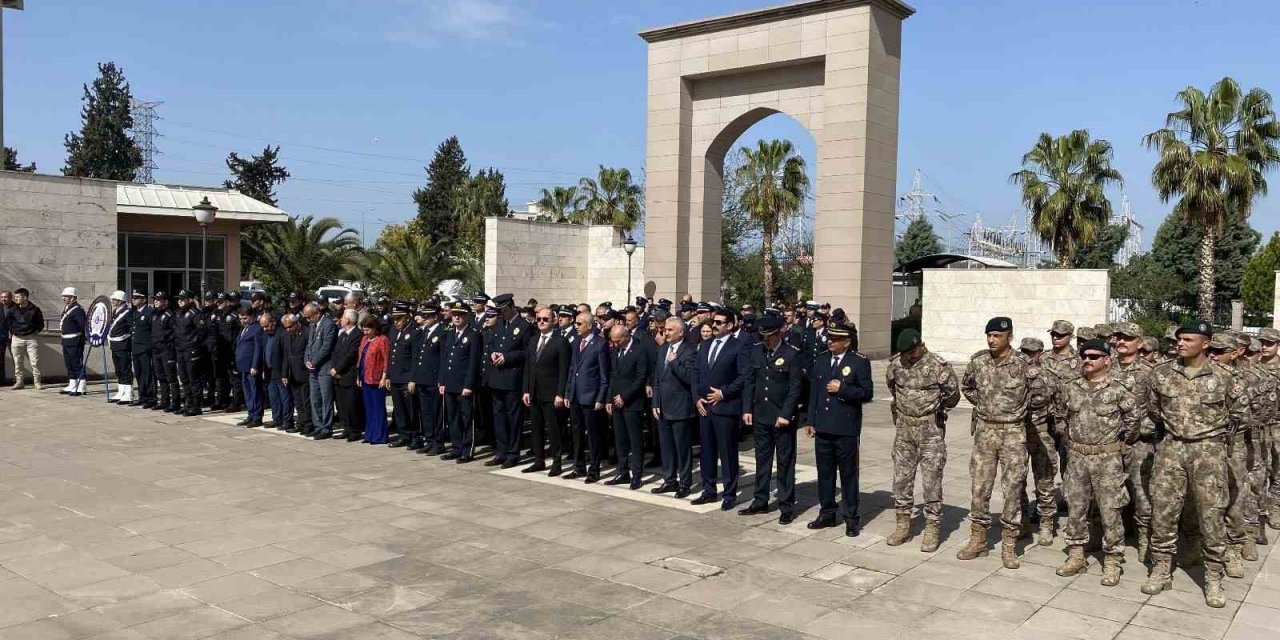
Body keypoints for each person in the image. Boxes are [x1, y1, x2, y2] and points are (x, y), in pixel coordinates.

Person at [1142, 320, 1248, 608]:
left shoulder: (1225, 376)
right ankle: (1161, 568)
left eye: (1188, 339)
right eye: (1180, 339)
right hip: (1171, 448)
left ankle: (1213, 576)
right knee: (1163, 510)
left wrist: (1213, 438)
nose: (1181, 343)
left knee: (1211, 514)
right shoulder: (1160, 374)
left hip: (1209, 452)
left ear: (1205, 344)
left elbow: (1241, 415)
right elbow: (1154, 409)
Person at [1052, 340, 1139, 585]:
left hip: (1107, 458)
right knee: (1076, 508)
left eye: (1094, 356)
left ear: (1107, 360)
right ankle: (1076, 555)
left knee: (1110, 510)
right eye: (1084, 356)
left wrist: (1118, 445)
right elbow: (1061, 417)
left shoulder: (1118, 389)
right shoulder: (1072, 388)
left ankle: (1113, 560)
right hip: (1078, 457)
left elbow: (1133, 421)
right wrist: (1071, 441)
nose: (1087, 360)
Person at [957, 317, 1035, 569]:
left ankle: (1010, 544)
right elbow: (967, 386)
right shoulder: (978, 361)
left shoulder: (1023, 364)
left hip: (1013, 432)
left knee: (1012, 488)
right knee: (980, 487)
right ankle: (978, 539)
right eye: (989, 335)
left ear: (1009, 337)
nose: (992, 340)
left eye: (997, 336)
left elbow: (1040, 393)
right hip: (985, 431)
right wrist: (983, 405)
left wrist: (1019, 411)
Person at [884, 328, 959, 551]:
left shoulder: (938, 366)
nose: (909, 356)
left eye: (912, 351)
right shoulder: (896, 364)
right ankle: (903, 525)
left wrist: (934, 411)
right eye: (905, 352)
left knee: (931, 481)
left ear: (921, 345)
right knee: (901, 479)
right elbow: (893, 388)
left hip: (930, 431)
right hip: (904, 430)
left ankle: (932, 527)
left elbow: (953, 396)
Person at [805, 321, 874, 537]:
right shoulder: (822, 359)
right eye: (829, 338)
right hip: (823, 425)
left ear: (846, 342)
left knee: (848, 475)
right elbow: (815, 392)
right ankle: (827, 513)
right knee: (825, 474)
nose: (830, 342)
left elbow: (866, 393)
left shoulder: (859, 362)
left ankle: (851, 517)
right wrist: (811, 420)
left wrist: (842, 388)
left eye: (835, 339)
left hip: (845, 427)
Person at [739, 315, 804, 524]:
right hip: (761, 415)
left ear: (779, 334)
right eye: (763, 337)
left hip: (781, 417)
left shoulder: (792, 354)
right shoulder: (757, 350)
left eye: (769, 337)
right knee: (762, 460)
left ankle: (786, 505)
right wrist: (747, 408)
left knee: (785, 462)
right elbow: (750, 381)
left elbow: (795, 389)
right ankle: (760, 500)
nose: (765, 341)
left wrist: (786, 414)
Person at [692, 308, 750, 510]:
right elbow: (696, 373)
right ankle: (709, 490)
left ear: (730, 325)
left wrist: (724, 393)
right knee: (706, 452)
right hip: (705, 408)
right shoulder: (705, 345)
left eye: (719, 322)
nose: (714, 325)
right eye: (713, 322)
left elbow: (744, 376)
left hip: (726, 407)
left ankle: (729, 494)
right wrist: (697, 397)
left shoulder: (738, 346)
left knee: (727, 453)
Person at [1109, 322, 1158, 563]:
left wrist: (1139, 430)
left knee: (1142, 494)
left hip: (1140, 443)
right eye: (1118, 337)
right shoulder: (1105, 367)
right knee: (1107, 493)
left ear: (1139, 343)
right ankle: (1108, 535)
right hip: (1108, 444)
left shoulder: (1150, 373)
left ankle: (1144, 538)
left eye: (1127, 338)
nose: (1121, 341)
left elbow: (1158, 410)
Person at [1018, 337, 1058, 545]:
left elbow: (1060, 405)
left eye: (1031, 352)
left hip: (1042, 432)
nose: (1027, 355)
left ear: (1040, 353)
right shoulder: (1015, 374)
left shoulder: (1049, 377)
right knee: (1017, 479)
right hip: (1019, 432)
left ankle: (1046, 522)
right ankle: (1023, 521)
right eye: (1024, 351)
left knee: (1044, 479)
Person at [484, 293, 531, 468]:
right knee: (499, 417)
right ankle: (501, 451)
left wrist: (508, 357)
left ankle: (513, 452)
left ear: (511, 307)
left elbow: (528, 353)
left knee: (513, 417)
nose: (500, 314)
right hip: (497, 378)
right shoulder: (498, 325)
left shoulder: (524, 327)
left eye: (503, 310)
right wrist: (493, 354)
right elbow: (491, 344)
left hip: (512, 379)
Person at [652, 317, 697, 498]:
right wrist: (655, 402)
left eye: (670, 330)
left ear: (681, 332)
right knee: (666, 447)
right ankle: (669, 480)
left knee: (682, 448)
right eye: (665, 329)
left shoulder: (690, 351)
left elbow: (689, 378)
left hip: (680, 408)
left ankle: (685, 483)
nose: (666, 333)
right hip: (663, 407)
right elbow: (657, 379)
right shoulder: (663, 349)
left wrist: (674, 362)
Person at [522, 306, 570, 475]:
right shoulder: (534, 340)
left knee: (554, 429)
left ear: (554, 321)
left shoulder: (560, 341)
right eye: (539, 319)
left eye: (545, 319)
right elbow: (529, 367)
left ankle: (557, 463)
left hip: (552, 394)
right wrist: (526, 390)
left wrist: (560, 393)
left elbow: (564, 370)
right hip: (535, 392)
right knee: (536, 429)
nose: (541, 322)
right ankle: (539, 460)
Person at [564, 311, 609, 481]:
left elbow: (604, 375)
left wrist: (600, 398)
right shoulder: (576, 342)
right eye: (575, 323)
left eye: (579, 323)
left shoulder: (600, 344)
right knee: (576, 434)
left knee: (593, 435)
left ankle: (594, 469)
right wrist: (568, 391)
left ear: (589, 326)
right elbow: (572, 369)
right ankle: (579, 466)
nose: (576, 326)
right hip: (576, 396)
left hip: (591, 397)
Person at [606, 324, 650, 489]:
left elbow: (640, 378)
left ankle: (637, 474)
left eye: (618, 341)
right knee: (620, 440)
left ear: (626, 337)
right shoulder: (616, 351)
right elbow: (613, 376)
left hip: (632, 402)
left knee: (635, 440)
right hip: (616, 402)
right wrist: (609, 399)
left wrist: (624, 396)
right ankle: (622, 471)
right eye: (614, 341)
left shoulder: (639, 350)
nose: (615, 344)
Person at [440, 303, 481, 461]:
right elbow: (444, 360)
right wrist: (442, 381)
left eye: (460, 315)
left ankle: (467, 450)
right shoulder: (449, 334)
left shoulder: (473, 335)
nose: (456, 317)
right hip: (450, 383)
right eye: (454, 314)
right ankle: (456, 447)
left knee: (466, 418)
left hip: (463, 384)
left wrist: (469, 385)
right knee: (453, 418)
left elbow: (473, 363)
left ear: (467, 316)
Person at [411, 306, 445, 453]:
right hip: (422, 378)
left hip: (434, 378)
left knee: (436, 412)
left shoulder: (442, 332)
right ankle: (429, 440)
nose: (424, 319)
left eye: (427, 316)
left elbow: (443, 357)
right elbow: (418, 356)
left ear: (435, 317)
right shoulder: (424, 331)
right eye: (423, 316)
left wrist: (441, 379)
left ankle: (438, 442)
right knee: (425, 412)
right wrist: (414, 377)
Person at [386, 304, 419, 449]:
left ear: (407, 317)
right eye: (394, 319)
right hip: (395, 376)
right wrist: (388, 375)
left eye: (399, 319)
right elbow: (391, 355)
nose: (396, 322)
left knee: (411, 410)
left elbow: (415, 358)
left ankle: (415, 437)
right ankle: (403, 435)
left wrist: (412, 378)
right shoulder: (394, 331)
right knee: (399, 410)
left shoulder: (414, 332)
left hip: (406, 377)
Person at [304, 302, 337, 440]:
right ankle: (318, 426)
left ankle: (326, 427)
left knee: (326, 399)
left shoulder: (328, 325)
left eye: (309, 317)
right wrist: (307, 360)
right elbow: (309, 345)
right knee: (315, 399)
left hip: (324, 368)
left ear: (317, 313)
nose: (307, 320)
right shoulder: (313, 325)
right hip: (313, 370)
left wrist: (314, 361)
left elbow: (326, 348)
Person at [331, 310, 364, 441]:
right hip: (338, 375)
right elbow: (336, 352)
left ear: (349, 320)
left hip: (348, 374)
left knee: (351, 405)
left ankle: (355, 431)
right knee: (342, 405)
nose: (341, 320)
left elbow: (351, 355)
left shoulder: (357, 335)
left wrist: (338, 369)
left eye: (343, 317)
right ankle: (347, 428)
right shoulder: (342, 334)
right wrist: (333, 367)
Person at [357, 315, 390, 444]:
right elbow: (360, 358)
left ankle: (379, 435)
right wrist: (358, 376)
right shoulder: (364, 339)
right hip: (365, 376)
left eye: (368, 330)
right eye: (364, 330)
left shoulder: (382, 340)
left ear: (375, 328)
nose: (366, 333)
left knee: (378, 408)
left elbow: (386, 359)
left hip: (376, 378)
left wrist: (384, 376)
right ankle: (369, 434)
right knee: (368, 407)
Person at [173, 290, 207, 416]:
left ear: (190, 300)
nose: (180, 301)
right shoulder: (178, 314)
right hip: (180, 350)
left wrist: (193, 343)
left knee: (193, 378)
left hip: (190, 350)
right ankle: (188, 403)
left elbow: (202, 331)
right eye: (179, 299)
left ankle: (196, 405)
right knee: (184, 378)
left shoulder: (195, 314)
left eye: (183, 298)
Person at [279, 314, 312, 434]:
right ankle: (301, 423)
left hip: (303, 372)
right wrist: (284, 374)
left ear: (296, 323)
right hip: (292, 374)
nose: (288, 329)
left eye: (290, 326)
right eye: (285, 327)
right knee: (298, 401)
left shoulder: (306, 333)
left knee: (306, 401)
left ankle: (309, 423)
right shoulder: (286, 336)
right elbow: (286, 356)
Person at [7, 288, 44, 390]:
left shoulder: (35, 309)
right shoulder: (13, 310)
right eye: (15, 297)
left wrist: (35, 332)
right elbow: (8, 322)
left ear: (25, 297)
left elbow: (40, 323)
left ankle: (37, 382)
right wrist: (13, 332)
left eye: (18, 297)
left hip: (31, 338)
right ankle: (19, 382)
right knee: (18, 361)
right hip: (16, 338)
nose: (16, 299)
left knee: (34, 361)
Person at [233, 307, 264, 427]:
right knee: (248, 392)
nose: (242, 321)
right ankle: (251, 414)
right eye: (240, 318)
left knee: (255, 391)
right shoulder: (244, 329)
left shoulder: (256, 329)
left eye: (245, 318)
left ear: (252, 316)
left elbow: (257, 349)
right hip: (243, 366)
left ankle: (257, 416)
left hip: (252, 366)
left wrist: (255, 365)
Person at [261, 313, 291, 429]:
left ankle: (287, 421)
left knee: (284, 397)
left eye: (266, 326)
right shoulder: (266, 335)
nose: (265, 329)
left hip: (280, 371)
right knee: (274, 396)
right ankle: (277, 418)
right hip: (269, 371)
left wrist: (284, 373)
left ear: (273, 322)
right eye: (263, 327)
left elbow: (285, 356)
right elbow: (265, 352)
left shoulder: (282, 334)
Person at [126, 291, 155, 408]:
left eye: (137, 298)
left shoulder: (149, 312)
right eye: (133, 298)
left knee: (147, 373)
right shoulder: (133, 312)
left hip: (145, 347)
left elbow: (153, 330)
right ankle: (142, 396)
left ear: (143, 300)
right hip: (135, 348)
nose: (134, 300)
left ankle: (151, 397)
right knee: (138, 373)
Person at [151, 292, 178, 412]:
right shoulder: (154, 314)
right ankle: (164, 401)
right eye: (155, 300)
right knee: (160, 376)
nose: (156, 301)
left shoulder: (169, 314)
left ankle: (175, 403)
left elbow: (174, 332)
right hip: (156, 349)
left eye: (158, 300)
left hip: (167, 349)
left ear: (165, 301)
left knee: (171, 377)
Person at [106, 291, 134, 403]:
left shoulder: (127, 312)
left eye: (114, 300)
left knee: (125, 368)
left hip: (123, 344)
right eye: (112, 299)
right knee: (119, 369)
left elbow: (132, 328)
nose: (112, 301)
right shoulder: (116, 311)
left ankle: (129, 393)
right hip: (115, 344)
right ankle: (121, 391)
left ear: (121, 301)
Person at [0, 291, 9, 387]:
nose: (3, 299)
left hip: (15, 337)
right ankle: (1, 381)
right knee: (1, 360)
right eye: (2, 297)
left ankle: (18, 380)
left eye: (5, 297)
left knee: (17, 360)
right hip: (1, 338)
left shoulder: (15, 307)